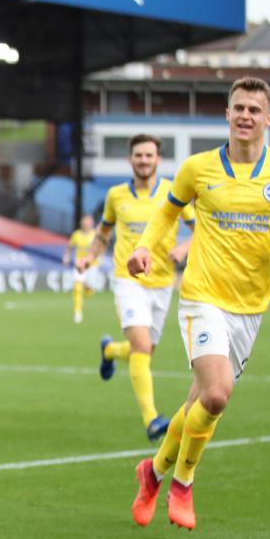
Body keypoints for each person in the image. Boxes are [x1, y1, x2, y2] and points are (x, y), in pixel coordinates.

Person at [127, 77, 270, 530]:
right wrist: (146, 248)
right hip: (201, 297)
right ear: (227, 114)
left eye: (255, 110)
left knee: (197, 401)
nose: (245, 116)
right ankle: (183, 482)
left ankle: (152, 472)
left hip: (250, 308)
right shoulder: (198, 168)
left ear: (268, 118)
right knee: (216, 395)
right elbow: (168, 212)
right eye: (238, 108)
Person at [78, 134, 194, 442]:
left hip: (162, 283)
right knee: (143, 347)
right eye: (138, 155)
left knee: (143, 351)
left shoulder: (172, 191)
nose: (144, 160)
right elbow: (103, 234)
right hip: (128, 280)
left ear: (158, 160)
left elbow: (200, 230)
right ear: (130, 159)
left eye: (149, 155)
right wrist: (89, 257)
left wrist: (184, 247)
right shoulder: (116, 195)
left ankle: (110, 350)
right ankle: (152, 419)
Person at [63, 214, 97, 323]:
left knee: (89, 290)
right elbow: (70, 247)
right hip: (79, 264)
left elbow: (101, 248)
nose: (87, 224)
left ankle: (88, 289)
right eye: (85, 222)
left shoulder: (95, 235)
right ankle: (78, 313)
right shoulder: (76, 235)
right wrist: (67, 256)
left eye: (89, 222)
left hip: (92, 265)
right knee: (77, 287)